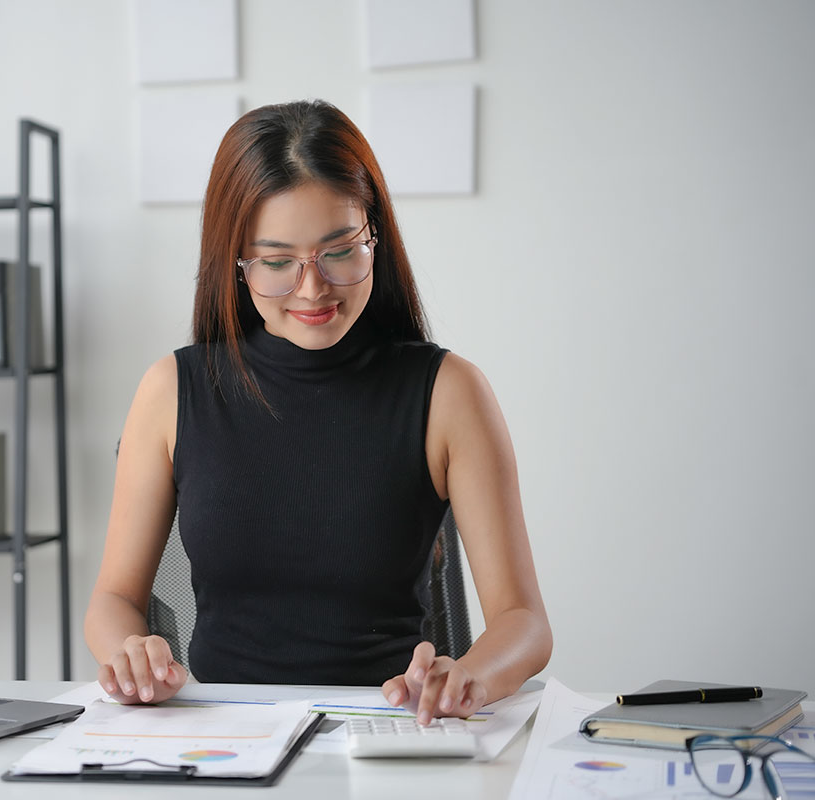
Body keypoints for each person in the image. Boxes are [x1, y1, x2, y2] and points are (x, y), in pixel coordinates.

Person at [84, 99, 551, 725]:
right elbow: (113, 598)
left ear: (374, 237)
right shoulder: (171, 389)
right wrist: (129, 653)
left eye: (340, 251)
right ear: (237, 263)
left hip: (388, 730)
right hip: (220, 738)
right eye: (277, 262)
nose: (312, 288)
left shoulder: (449, 392)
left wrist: (469, 676)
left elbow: (523, 623)